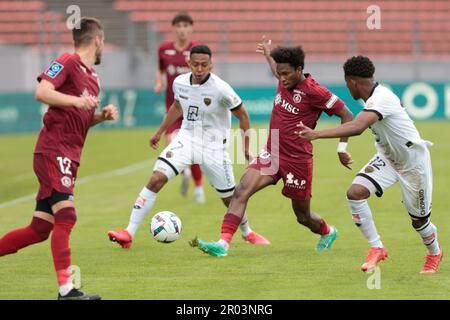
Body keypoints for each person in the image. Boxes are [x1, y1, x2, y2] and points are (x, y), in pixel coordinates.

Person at [190, 38, 354, 257]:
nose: (282, 78)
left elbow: (347, 115)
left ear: (299, 69)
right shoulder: (284, 76)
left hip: (298, 160)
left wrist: (341, 149)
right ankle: (223, 243)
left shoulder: (316, 92)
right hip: (272, 151)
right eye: (279, 73)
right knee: (241, 191)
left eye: (286, 74)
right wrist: (268, 53)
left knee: (303, 217)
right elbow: (275, 68)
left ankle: (327, 231)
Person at [0, 17, 118, 299]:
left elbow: (80, 122)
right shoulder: (67, 61)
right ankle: (66, 290)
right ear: (97, 40)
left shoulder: (93, 78)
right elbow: (42, 92)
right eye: (103, 43)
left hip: (68, 154)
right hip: (54, 151)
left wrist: (100, 117)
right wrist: (78, 101)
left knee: (40, 228)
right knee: (67, 215)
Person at [108, 45, 269, 249]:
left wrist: (246, 147)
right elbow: (177, 107)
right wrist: (160, 131)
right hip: (187, 139)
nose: (199, 69)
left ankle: (248, 232)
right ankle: (128, 232)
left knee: (230, 198)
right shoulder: (180, 82)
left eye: (204, 65)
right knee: (157, 178)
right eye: (195, 64)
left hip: (213, 147)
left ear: (211, 65)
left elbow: (243, 115)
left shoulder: (221, 88)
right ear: (188, 64)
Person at [297, 55, 443, 273]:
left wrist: (316, 134)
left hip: (413, 164)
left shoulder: (381, 97)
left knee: (419, 222)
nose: (347, 88)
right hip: (388, 158)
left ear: (352, 81)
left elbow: (357, 127)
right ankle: (377, 248)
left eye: (347, 84)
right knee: (355, 193)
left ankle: (434, 253)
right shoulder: (374, 98)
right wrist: (342, 149)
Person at [155, 11, 205, 203]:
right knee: (172, 143)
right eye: (179, 26)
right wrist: (159, 81)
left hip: (194, 110)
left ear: (191, 28)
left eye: (186, 26)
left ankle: (198, 187)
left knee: (194, 153)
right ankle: (185, 172)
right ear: (174, 28)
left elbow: (208, 73)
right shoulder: (164, 49)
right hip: (174, 107)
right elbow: (159, 68)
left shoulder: (196, 51)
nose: (182, 30)